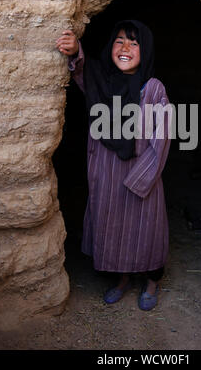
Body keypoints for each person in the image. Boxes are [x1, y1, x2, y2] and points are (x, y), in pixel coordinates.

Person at [56, 20, 171, 311]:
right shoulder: (100, 82)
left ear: (145, 52)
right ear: (111, 47)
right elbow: (83, 71)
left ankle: (151, 281)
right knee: (115, 228)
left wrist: (143, 178)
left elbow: (162, 138)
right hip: (107, 173)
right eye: (120, 41)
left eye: (134, 43)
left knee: (145, 230)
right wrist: (74, 50)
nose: (125, 48)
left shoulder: (153, 89)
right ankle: (122, 279)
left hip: (142, 173)